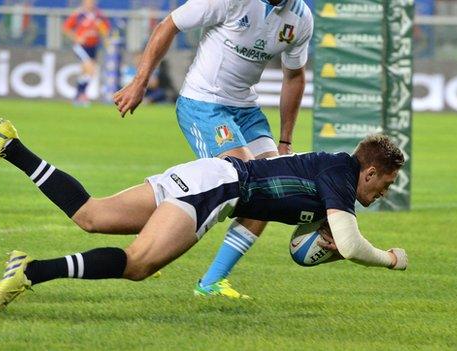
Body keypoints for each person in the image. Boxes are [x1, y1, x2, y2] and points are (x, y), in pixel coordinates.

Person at [0, 119, 408, 312]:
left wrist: (320, 246)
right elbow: (349, 245)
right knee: (140, 264)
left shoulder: (331, 173)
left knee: (91, 214)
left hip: (210, 174)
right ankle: (29, 271)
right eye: (385, 185)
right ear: (370, 171)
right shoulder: (340, 177)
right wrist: (390, 259)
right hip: (222, 188)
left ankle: (9, 146)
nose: (383, 193)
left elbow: (307, 247)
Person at [112, 0, 314, 298]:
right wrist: (140, 83)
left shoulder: (301, 18)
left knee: (274, 189)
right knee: (248, 183)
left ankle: (211, 283)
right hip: (203, 103)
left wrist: (285, 142)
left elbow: (294, 76)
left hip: (246, 109)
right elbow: (169, 23)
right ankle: (153, 240)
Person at [63, 0, 110, 106]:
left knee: (87, 72)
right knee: (90, 68)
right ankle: (81, 95)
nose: (90, 3)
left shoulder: (99, 15)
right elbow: (66, 28)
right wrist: (76, 38)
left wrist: (106, 40)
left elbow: (105, 30)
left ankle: (78, 96)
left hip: (93, 46)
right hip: (81, 46)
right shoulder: (78, 14)